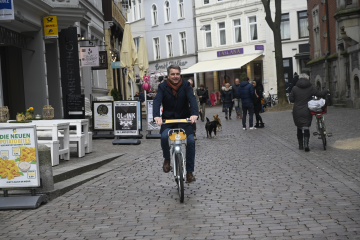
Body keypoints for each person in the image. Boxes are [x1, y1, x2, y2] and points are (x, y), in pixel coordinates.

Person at [153, 65, 199, 182]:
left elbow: (192, 99)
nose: (175, 76)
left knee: (191, 142)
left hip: (184, 120)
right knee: (164, 137)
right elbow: (157, 100)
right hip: (168, 121)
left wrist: (194, 114)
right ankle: (167, 159)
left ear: (180, 75)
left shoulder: (186, 85)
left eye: (177, 74)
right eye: (173, 74)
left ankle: (189, 172)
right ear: (168, 75)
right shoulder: (162, 87)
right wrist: (157, 116)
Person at [289, 73, 329, 152]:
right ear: (307, 79)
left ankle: (300, 145)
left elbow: (291, 99)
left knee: (299, 127)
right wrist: (326, 91)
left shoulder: (294, 88)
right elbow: (319, 94)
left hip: (297, 110)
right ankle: (306, 145)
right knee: (306, 127)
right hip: (307, 109)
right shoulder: (310, 88)